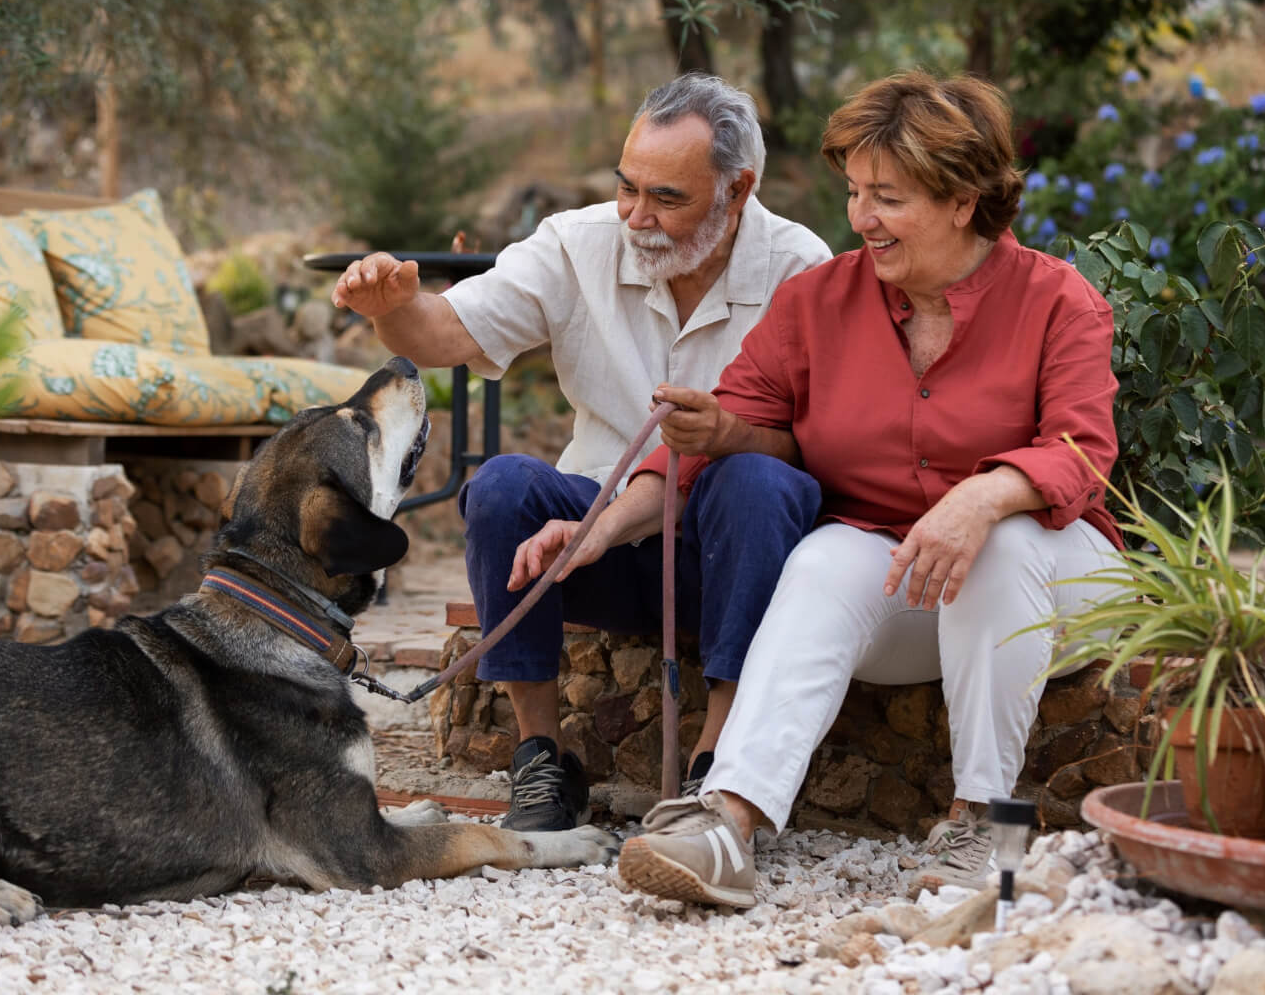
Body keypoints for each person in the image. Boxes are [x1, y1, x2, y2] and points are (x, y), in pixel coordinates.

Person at [516, 70, 1122, 907]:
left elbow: (1082, 452)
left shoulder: (1059, 301)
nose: (861, 219)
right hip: (909, 582)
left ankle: (990, 820)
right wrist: (601, 529)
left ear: (964, 199)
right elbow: (716, 432)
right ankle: (727, 823)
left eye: (889, 197)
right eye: (855, 193)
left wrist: (978, 498)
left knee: (1001, 539)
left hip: (1059, 579)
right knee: (828, 556)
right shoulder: (818, 303)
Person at [331, 73, 832, 832]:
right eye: (627, 187)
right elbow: (446, 335)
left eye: (667, 197)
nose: (636, 215)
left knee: (757, 482)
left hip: (732, 555)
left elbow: (816, 445)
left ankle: (716, 766)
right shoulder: (578, 241)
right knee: (502, 487)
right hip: (592, 549)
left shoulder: (803, 266)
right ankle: (541, 759)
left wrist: (727, 438)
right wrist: (395, 309)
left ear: (737, 190)